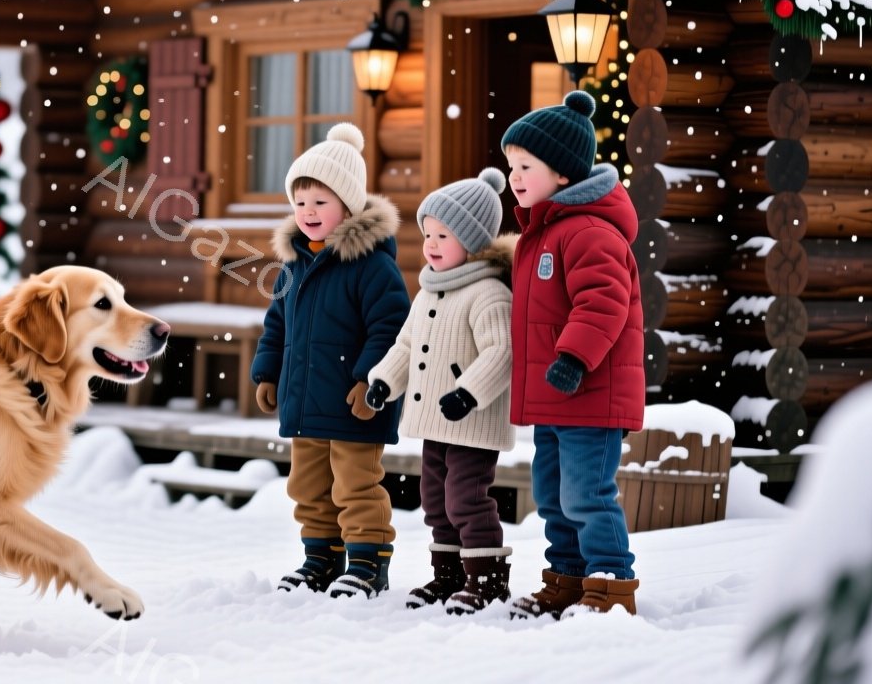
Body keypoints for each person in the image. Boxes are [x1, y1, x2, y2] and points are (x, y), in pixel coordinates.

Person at [500, 90, 646, 617]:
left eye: (526, 166)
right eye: (511, 165)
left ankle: (609, 584)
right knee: (554, 496)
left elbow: (604, 302)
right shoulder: (541, 234)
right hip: (552, 397)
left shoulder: (587, 232)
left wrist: (575, 358)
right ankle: (567, 577)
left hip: (589, 391)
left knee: (586, 494)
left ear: (562, 173)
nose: (515, 176)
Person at [250, 123, 410, 599]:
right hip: (305, 400)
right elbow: (277, 322)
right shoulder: (295, 265)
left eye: (320, 202)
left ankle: (367, 562)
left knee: (357, 485)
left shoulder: (371, 266)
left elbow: (390, 327)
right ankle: (320, 557)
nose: (308, 212)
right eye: (300, 203)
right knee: (308, 485)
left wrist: (369, 380)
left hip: (352, 400)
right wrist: (267, 370)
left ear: (348, 205)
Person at [363, 168, 518, 614]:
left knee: (466, 498)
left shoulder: (488, 293)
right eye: (427, 232)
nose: (430, 244)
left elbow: (500, 352)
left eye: (442, 235)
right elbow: (406, 345)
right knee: (435, 500)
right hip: (435, 420)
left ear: (471, 242)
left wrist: (468, 392)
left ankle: (487, 581)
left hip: (471, 421)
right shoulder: (429, 292)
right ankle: (448, 576)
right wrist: (383, 381)